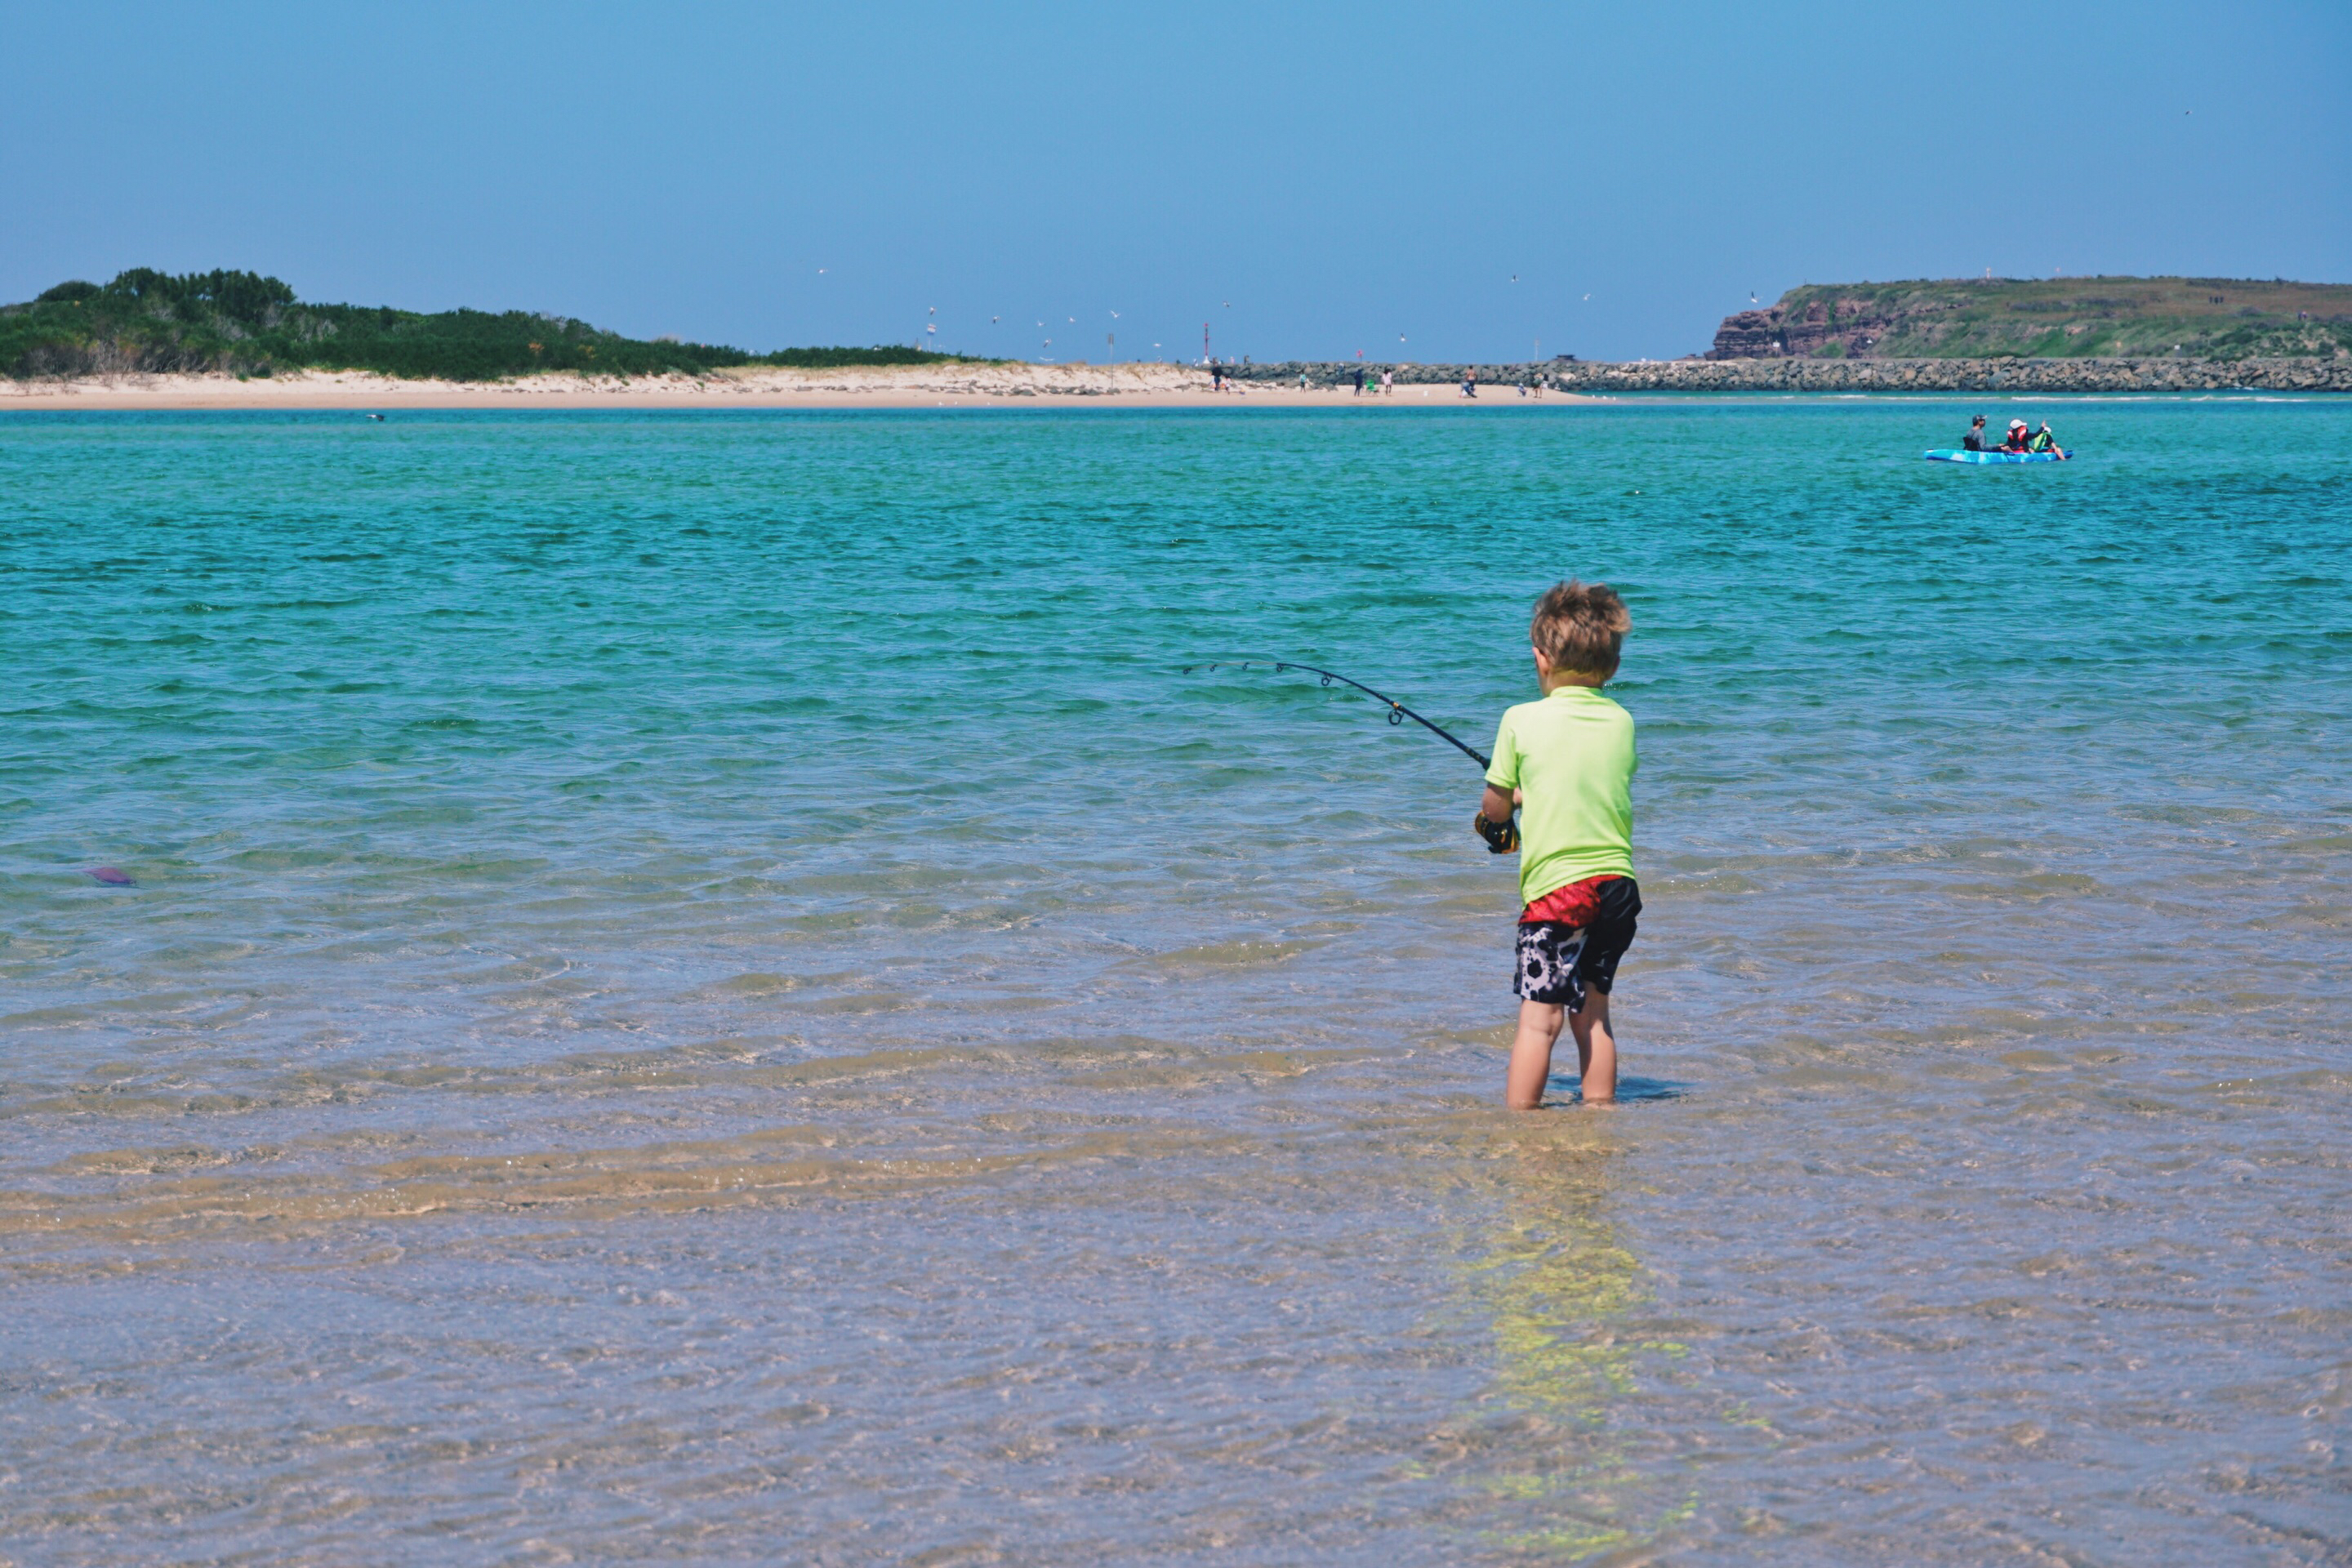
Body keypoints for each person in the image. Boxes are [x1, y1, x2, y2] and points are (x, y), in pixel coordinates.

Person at [1475, 581, 1640, 1109]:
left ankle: (1520, 1126)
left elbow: (1496, 808)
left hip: (1557, 894)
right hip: (1617, 889)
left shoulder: (1519, 719)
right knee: (1593, 1014)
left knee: (1538, 1021)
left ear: (1540, 658)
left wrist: (1496, 816)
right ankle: (1599, 1114)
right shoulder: (1622, 721)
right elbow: (1580, 780)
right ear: (1611, 668)